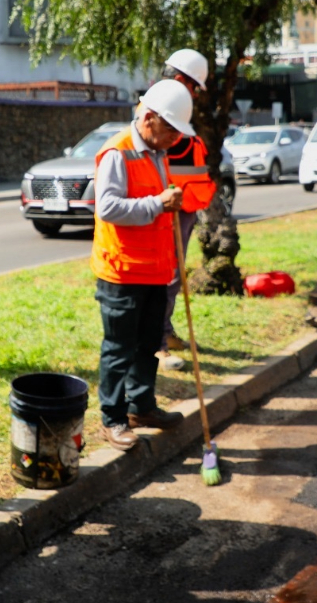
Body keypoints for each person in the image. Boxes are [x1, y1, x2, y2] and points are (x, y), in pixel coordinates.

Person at [92, 79, 196, 450]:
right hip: (122, 271)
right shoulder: (118, 152)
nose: (175, 139)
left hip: (154, 269)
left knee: (149, 343)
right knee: (119, 347)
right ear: (149, 118)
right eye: (171, 130)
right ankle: (114, 418)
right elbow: (107, 207)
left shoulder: (157, 151)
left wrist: (169, 200)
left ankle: (142, 406)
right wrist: (158, 203)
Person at [158, 48, 212, 370]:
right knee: (164, 278)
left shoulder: (175, 117)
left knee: (173, 276)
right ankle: (157, 344)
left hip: (183, 209)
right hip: (167, 212)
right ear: (180, 81)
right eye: (193, 87)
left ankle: (164, 332)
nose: (194, 96)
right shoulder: (162, 118)